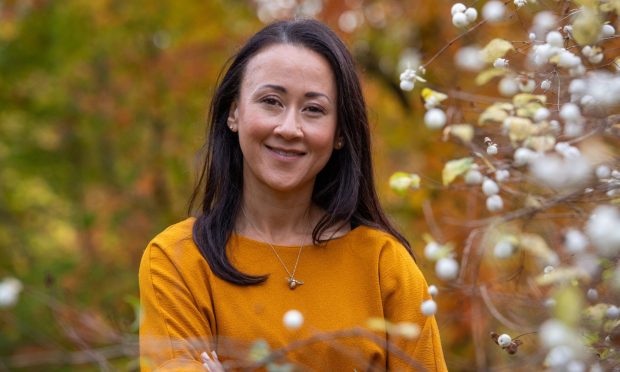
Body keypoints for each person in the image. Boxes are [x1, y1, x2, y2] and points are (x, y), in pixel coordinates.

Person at [139, 19, 447, 371]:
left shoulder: (385, 266)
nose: (288, 128)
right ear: (234, 112)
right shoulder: (177, 261)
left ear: (340, 133)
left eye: (313, 109)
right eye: (271, 101)